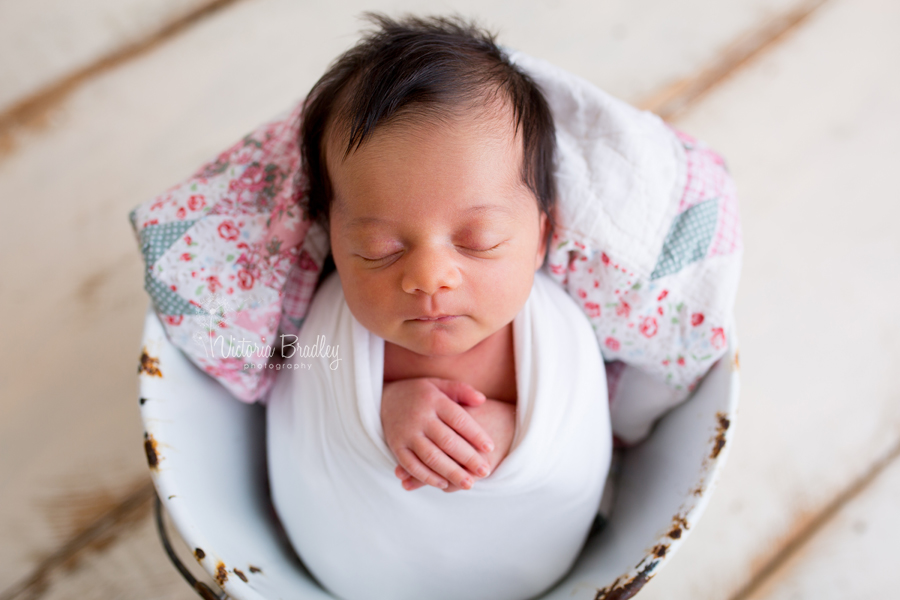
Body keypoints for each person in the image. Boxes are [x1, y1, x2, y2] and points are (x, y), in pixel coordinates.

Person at [265, 13, 612, 600]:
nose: (429, 278)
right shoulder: (324, 331)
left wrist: (515, 434)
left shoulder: (558, 336)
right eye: (378, 249)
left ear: (541, 239)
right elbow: (292, 383)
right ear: (330, 239)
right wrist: (380, 410)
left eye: (478, 241)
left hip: (522, 557)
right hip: (359, 561)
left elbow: (575, 438)